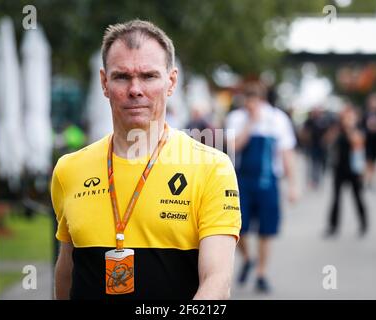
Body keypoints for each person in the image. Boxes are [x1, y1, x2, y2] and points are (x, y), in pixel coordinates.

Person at [51, 19, 241, 300]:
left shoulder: (212, 168)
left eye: (149, 76)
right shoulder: (69, 169)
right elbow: (67, 269)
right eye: (122, 77)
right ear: (104, 82)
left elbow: (217, 281)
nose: (135, 89)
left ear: (171, 81)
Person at [225, 83, 297, 293]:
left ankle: (261, 273)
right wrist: (250, 125)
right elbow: (233, 147)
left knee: (266, 230)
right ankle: (248, 258)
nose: (252, 105)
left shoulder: (277, 119)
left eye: (255, 100)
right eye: (248, 100)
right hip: (241, 182)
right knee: (237, 227)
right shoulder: (237, 119)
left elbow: (286, 152)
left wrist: (293, 184)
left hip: (268, 182)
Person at [325, 104, 368, 238]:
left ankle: (363, 224)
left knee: (357, 198)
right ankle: (333, 226)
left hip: (354, 170)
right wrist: (335, 131)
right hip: (339, 168)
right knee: (336, 198)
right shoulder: (338, 131)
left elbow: (358, 145)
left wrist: (350, 129)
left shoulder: (358, 131)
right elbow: (327, 141)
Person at [362, 92, 376, 188]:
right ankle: (368, 179)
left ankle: (373, 179)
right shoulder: (366, 114)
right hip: (367, 141)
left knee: (375, 162)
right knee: (368, 161)